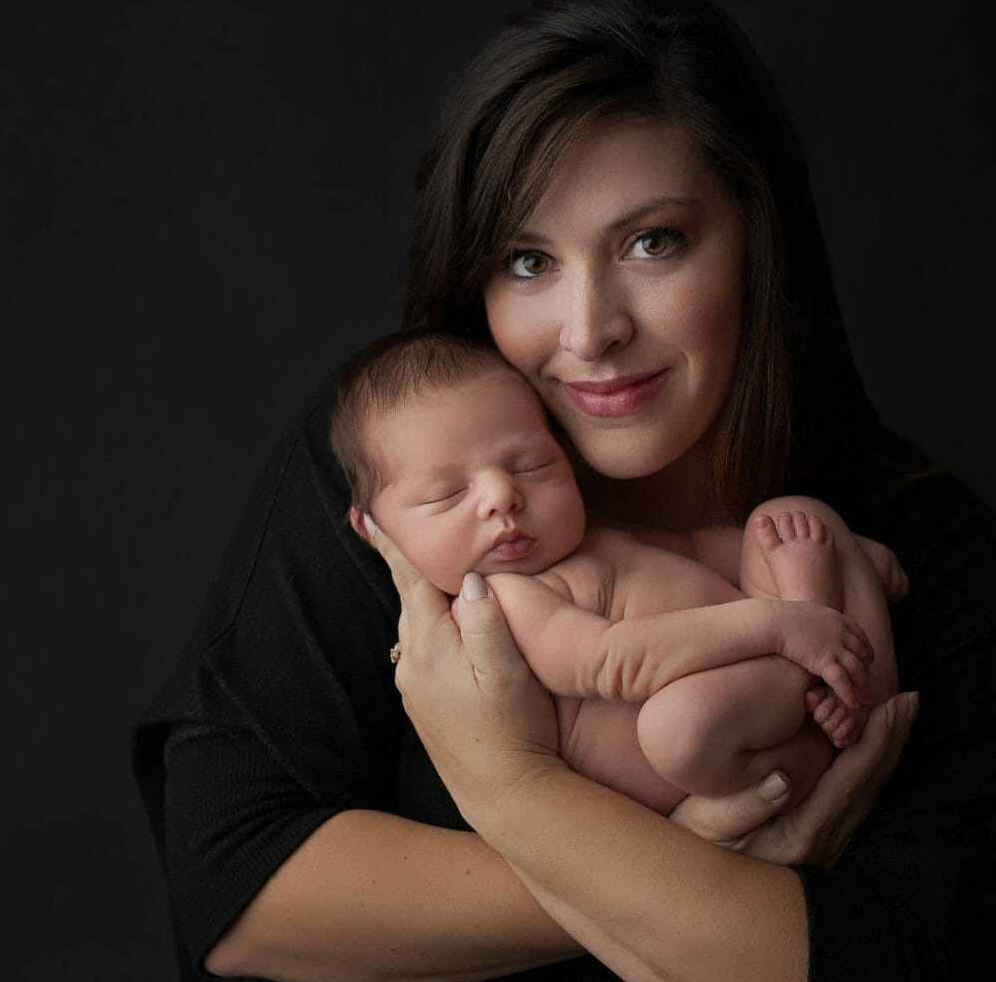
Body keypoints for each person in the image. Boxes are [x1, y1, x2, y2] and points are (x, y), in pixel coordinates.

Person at [132, 0, 996, 982]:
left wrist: (518, 791)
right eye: (527, 260)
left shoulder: (938, 572)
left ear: (757, 237)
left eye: (653, 243)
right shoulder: (410, 478)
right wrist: (695, 860)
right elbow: (237, 887)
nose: (590, 331)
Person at [330, 327, 899, 812]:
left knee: (786, 520)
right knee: (677, 729)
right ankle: (823, 723)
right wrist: (776, 625)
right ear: (374, 529)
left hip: (765, 660)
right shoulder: (503, 605)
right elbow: (615, 663)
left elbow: (697, 550)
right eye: (448, 494)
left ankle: (839, 670)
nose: (502, 496)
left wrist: (803, 553)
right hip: (715, 739)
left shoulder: (593, 534)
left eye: (532, 464)